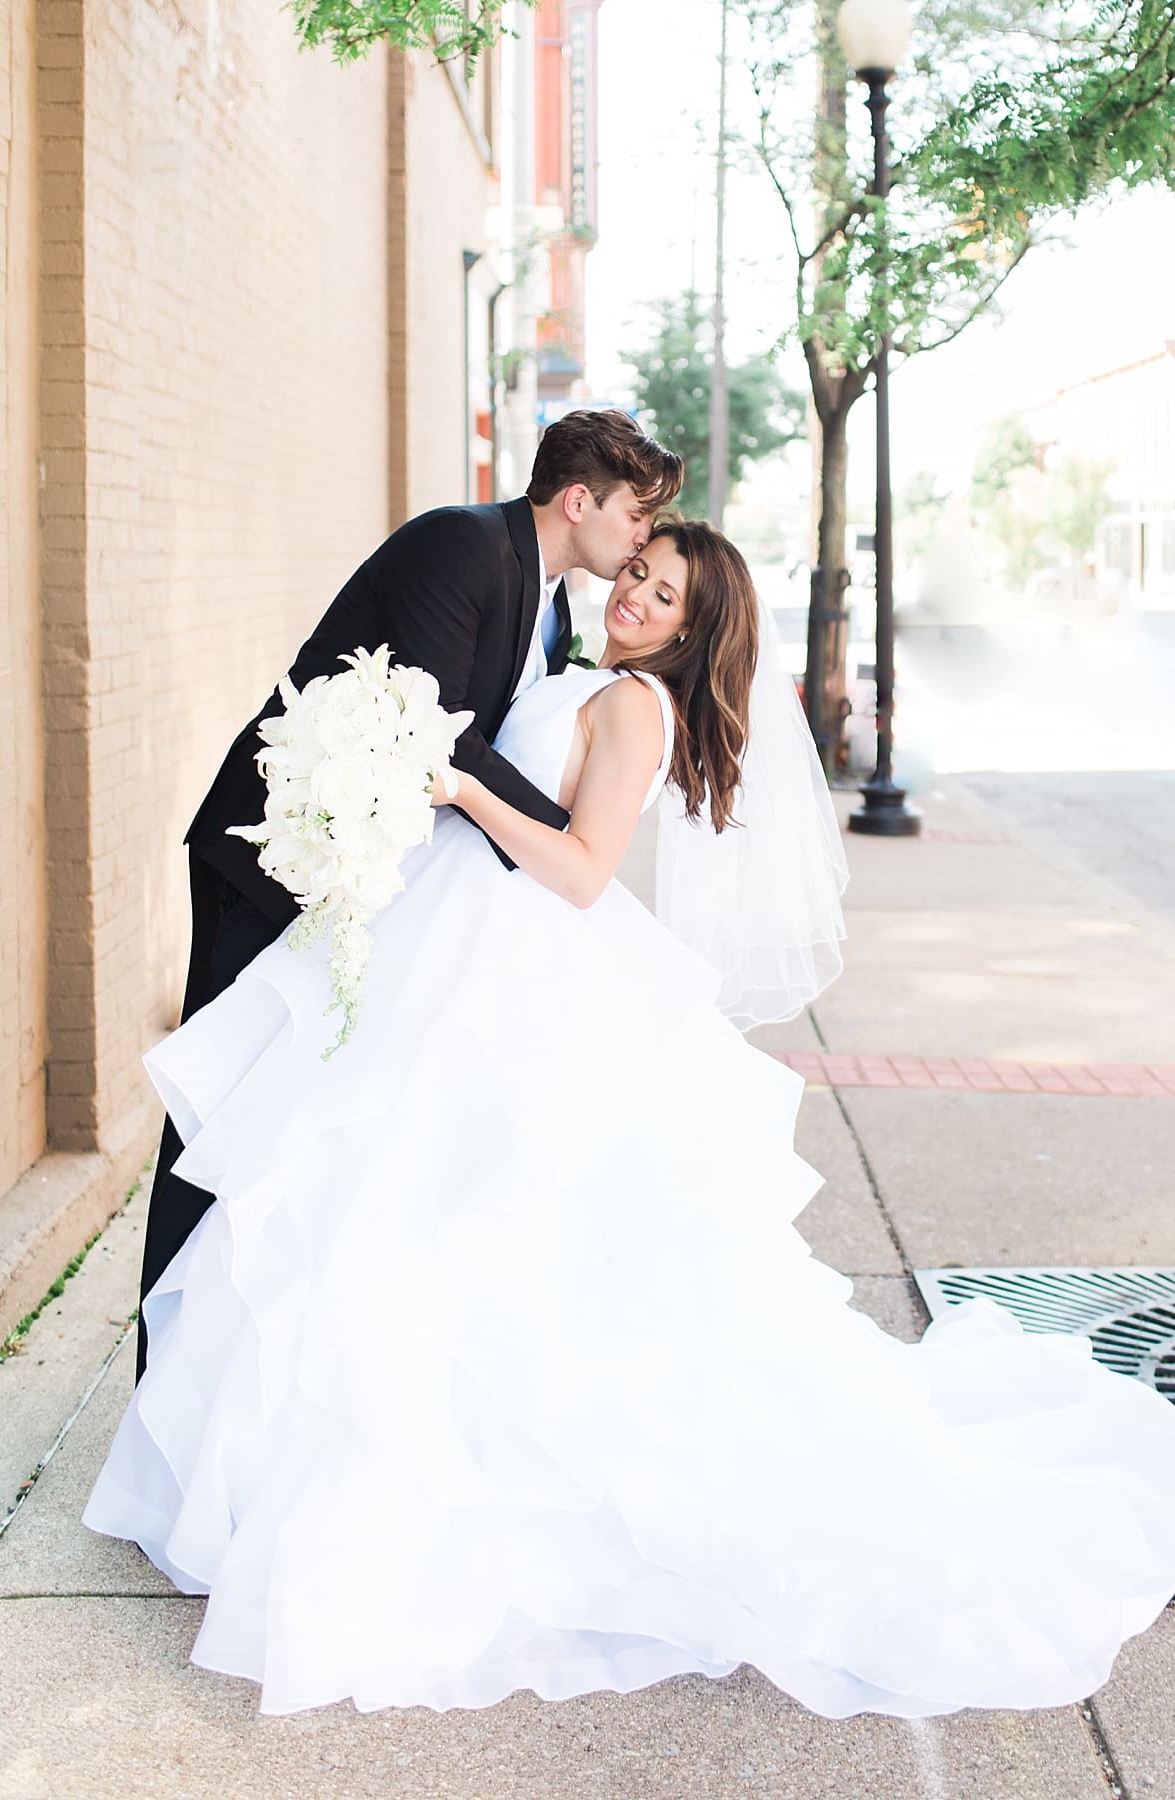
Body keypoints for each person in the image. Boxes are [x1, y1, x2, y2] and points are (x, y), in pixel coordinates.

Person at [87, 522, 1175, 1720]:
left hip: (514, 955)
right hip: (450, 942)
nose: (638, 602)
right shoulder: (580, 672)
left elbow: (584, 868)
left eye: (666, 599)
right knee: (386, 1200)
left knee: (456, 1214)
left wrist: (452, 784)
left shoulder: (639, 712)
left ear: (695, 632)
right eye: (641, 577)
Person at [134, 409, 684, 1378]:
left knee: (287, 1118)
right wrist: (566, 840)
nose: (639, 541)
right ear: (578, 500)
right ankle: (164, 1370)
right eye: (636, 519)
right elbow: (444, 734)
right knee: (218, 1113)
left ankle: (232, 1360)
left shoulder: (548, 604)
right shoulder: (459, 547)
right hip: (269, 859)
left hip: (361, 883)